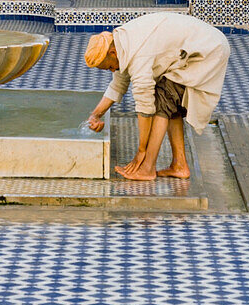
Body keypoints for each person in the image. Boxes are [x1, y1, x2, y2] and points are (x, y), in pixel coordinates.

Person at [84, 11, 230, 181]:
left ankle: (147, 168)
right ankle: (179, 165)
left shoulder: (138, 54)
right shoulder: (122, 44)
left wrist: (141, 151)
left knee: (162, 99)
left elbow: (145, 108)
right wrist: (95, 115)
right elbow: (118, 85)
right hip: (201, 44)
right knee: (169, 100)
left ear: (112, 53)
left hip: (208, 50)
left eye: (109, 67)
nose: (112, 71)